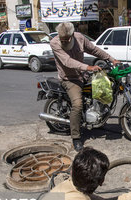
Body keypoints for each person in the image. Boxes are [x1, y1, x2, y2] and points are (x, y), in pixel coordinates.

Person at [50, 22, 120, 151]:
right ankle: (76, 137)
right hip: (69, 79)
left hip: (83, 75)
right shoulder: (55, 43)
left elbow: (94, 50)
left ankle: (97, 119)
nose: (64, 41)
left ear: (71, 35)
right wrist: (88, 67)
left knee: (102, 90)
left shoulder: (80, 38)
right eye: (62, 39)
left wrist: (111, 59)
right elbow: (67, 61)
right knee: (77, 104)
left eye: (66, 39)